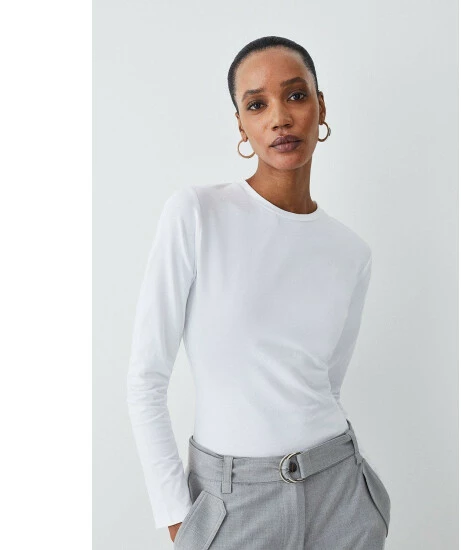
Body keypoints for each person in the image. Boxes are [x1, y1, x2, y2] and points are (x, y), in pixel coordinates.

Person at [126, 35, 391, 549]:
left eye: (296, 96)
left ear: (320, 108)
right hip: (231, 505)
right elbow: (145, 380)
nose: (280, 118)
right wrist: (181, 524)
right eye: (257, 104)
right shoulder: (197, 214)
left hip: (341, 497)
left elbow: (326, 386)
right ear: (241, 125)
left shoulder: (350, 252)